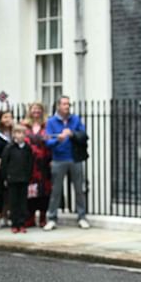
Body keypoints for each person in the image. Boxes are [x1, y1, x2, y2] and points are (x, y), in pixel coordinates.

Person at [44, 95, 90, 230]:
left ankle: (82, 217)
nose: (67, 107)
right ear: (58, 106)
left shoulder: (75, 119)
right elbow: (47, 141)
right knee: (56, 190)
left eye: (68, 104)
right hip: (59, 159)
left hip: (75, 158)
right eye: (64, 104)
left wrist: (72, 134)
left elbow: (84, 136)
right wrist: (58, 139)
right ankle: (52, 218)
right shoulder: (51, 122)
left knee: (79, 189)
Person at [22, 102, 52, 228]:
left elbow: (52, 142)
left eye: (39, 109)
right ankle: (30, 216)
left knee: (44, 191)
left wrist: (51, 159)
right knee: (30, 191)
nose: (36, 111)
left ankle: (43, 217)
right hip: (29, 164)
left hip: (44, 163)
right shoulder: (24, 125)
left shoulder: (47, 125)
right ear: (30, 111)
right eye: (34, 109)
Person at [0, 124, 33, 233]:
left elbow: (30, 163)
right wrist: (5, 177)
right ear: (14, 134)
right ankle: (14, 224)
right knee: (13, 203)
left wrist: (28, 176)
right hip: (12, 179)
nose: (20, 135)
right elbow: (4, 163)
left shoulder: (27, 148)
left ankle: (22, 223)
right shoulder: (9, 148)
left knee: (23, 202)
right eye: (18, 133)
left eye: (22, 133)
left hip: (23, 179)